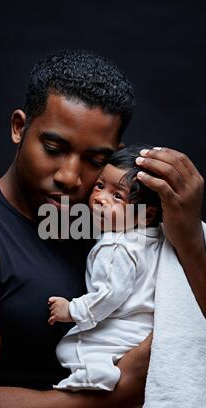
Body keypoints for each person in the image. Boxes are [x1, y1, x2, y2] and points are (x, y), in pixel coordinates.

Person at [0, 49, 206, 408]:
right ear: (18, 127)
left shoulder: (119, 225)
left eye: (94, 160)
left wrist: (187, 238)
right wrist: (125, 387)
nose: (70, 177)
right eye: (53, 147)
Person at [48, 144, 161, 393]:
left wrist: (73, 310)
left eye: (117, 196)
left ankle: (96, 376)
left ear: (147, 214)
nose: (100, 198)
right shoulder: (155, 238)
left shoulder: (114, 245)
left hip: (124, 327)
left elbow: (110, 294)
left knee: (68, 347)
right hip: (148, 328)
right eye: (100, 186)